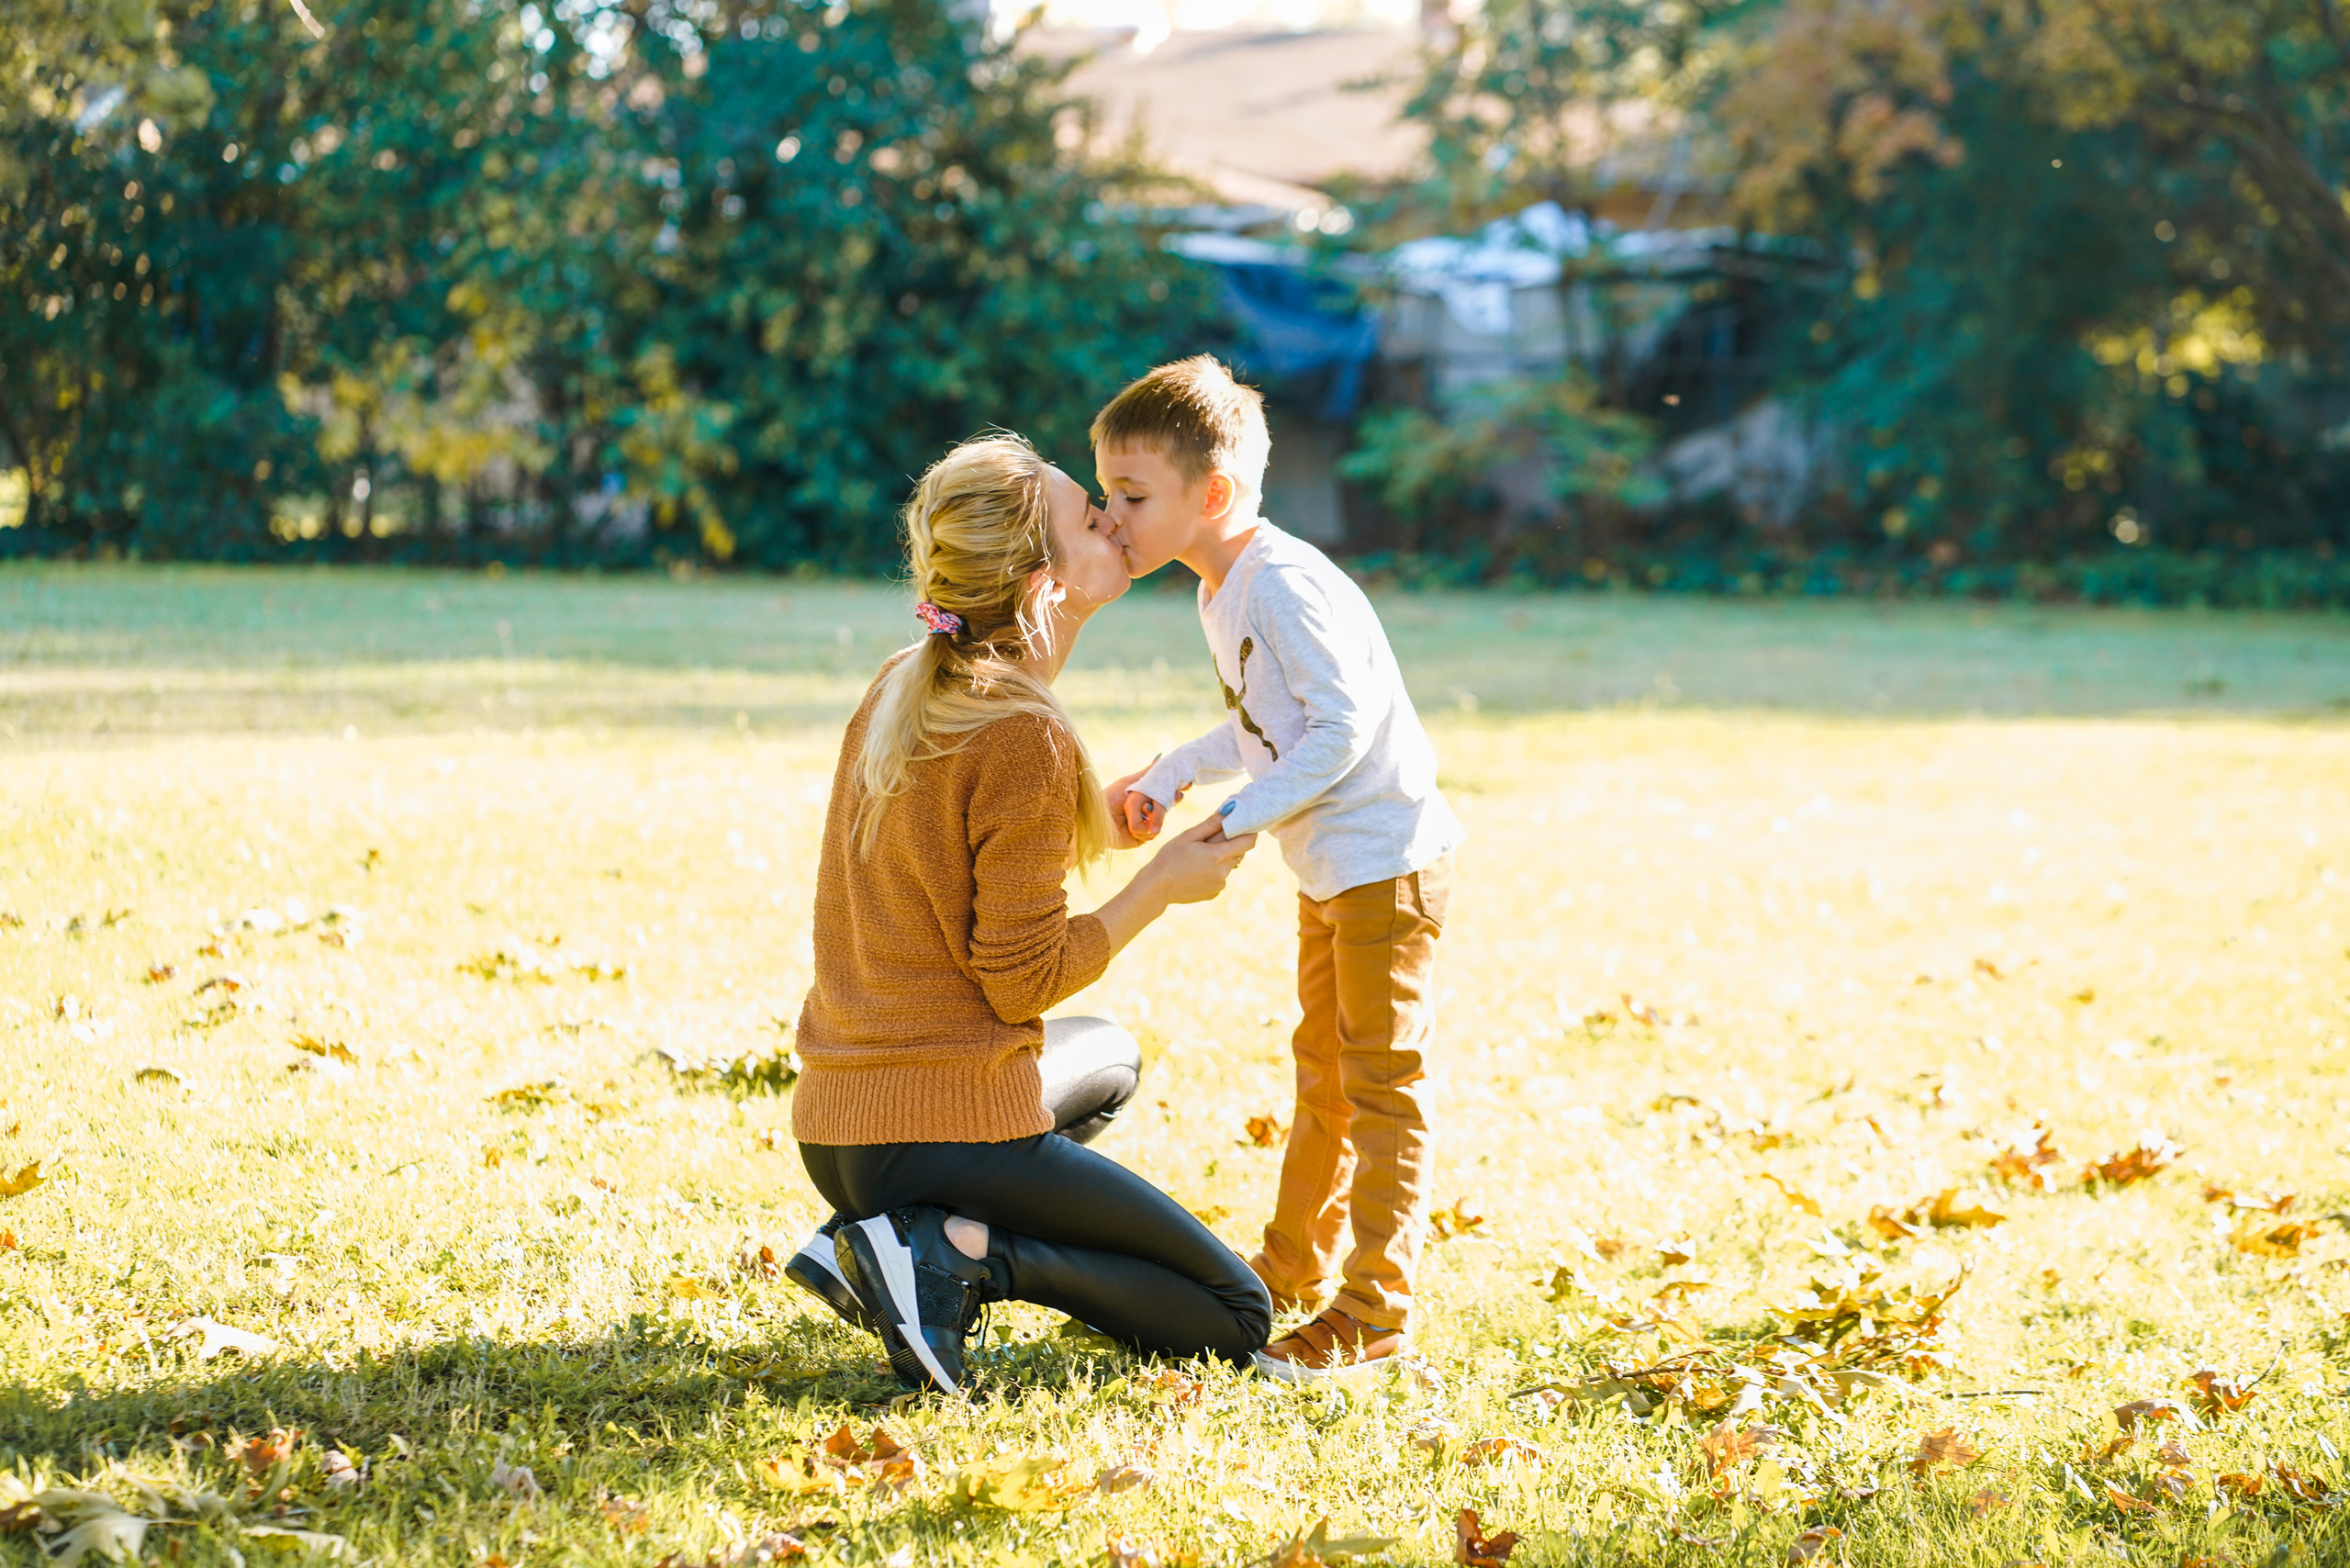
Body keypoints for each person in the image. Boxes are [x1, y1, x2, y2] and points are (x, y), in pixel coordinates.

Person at [782, 431, 1273, 1396]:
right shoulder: (1023, 734)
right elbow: (1021, 979)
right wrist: (1156, 887)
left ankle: (872, 1241)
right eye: (1089, 515)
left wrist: (1097, 819)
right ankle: (953, 1256)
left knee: (1108, 1057)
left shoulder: (906, 681)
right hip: (934, 1125)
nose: (1112, 516)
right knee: (1235, 1313)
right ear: (1045, 584)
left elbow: (938, 855)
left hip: (840, 1126)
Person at [1093, 359, 1464, 1381]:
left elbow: (1339, 730)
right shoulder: (1224, 586)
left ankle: (1375, 1310)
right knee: (1324, 1074)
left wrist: (1239, 818)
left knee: (1380, 1084)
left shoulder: (1284, 584)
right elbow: (1267, 724)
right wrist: (1176, 773)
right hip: (1333, 868)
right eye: (1109, 495)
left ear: (1210, 495)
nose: (1112, 517)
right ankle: (1293, 1266)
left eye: (1132, 496)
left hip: (1385, 868)